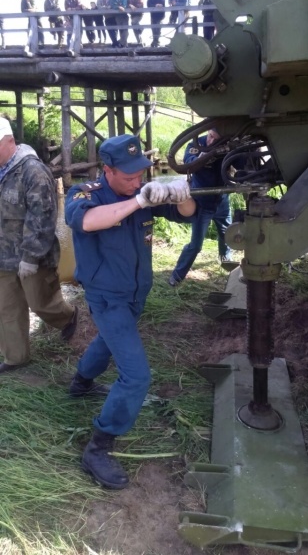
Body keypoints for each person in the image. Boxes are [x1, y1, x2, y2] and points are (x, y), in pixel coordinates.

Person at [65, 134, 196, 489]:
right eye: (128, 175)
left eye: (141, 174)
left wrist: (181, 195)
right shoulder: (85, 193)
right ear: (107, 170)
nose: (137, 180)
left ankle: (80, 383)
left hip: (137, 292)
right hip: (107, 296)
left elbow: (187, 215)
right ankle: (98, 446)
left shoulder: (143, 190)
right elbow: (88, 222)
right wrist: (138, 200)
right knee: (136, 376)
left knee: (109, 343)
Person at [0, 117, 78, 374]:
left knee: (41, 303)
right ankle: (16, 358)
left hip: (31, 256)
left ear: (9, 141)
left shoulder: (33, 171)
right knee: (7, 308)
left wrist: (31, 257)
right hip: (3, 256)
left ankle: (68, 317)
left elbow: (43, 217)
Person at [169, 128, 233, 287]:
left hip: (222, 199)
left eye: (216, 139)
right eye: (211, 136)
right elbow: (187, 162)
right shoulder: (198, 143)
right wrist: (201, 158)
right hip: (202, 202)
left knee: (227, 234)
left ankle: (226, 262)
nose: (211, 141)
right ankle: (177, 276)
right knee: (196, 245)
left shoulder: (229, 146)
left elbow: (242, 162)